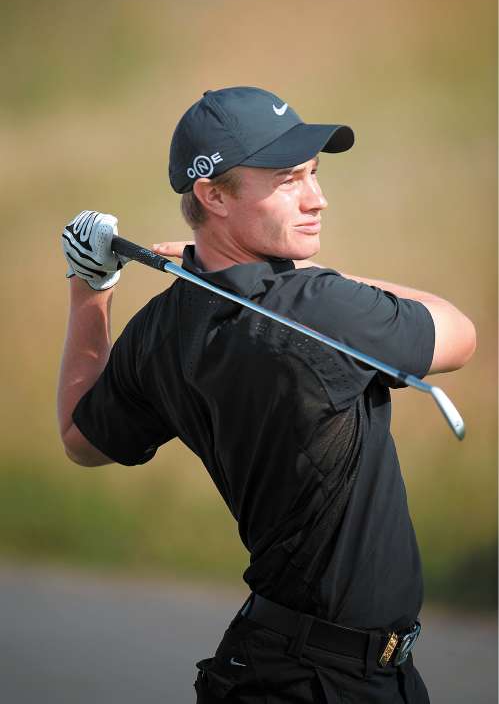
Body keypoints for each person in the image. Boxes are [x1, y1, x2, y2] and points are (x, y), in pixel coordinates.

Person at [58, 86, 476, 703]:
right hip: (327, 681)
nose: (317, 198)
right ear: (214, 196)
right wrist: (308, 274)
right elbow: (458, 333)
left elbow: (81, 440)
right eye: (287, 180)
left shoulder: (163, 326)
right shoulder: (316, 307)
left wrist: (90, 287)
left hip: (277, 663)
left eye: (313, 173)